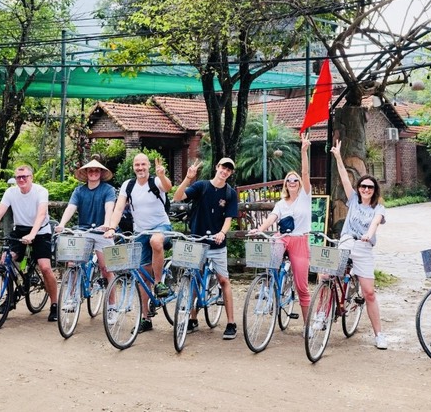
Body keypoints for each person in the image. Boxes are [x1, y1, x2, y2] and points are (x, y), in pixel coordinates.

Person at [103, 153, 173, 333]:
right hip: (140, 231)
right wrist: (111, 227)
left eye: (143, 164)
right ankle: (145, 318)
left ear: (148, 166)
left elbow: (168, 187)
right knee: (142, 276)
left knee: (156, 241)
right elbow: (119, 208)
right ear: (133, 167)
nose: (140, 168)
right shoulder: (129, 185)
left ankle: (159, 284)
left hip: (161, 226)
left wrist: (162, 175)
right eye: (137, 165)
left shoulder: (156, 181)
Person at [0, 165, 60, 322]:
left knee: (45, 267)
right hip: (20, 230)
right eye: (18, 177)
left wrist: (32, 234)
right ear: (15, 179)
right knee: (6, 260)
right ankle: (10, 297)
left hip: (40, 231)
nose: (22, 179)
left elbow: (41, 214)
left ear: (31, 177)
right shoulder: (11, 192)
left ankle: (54, 304)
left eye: (25, 176)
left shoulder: (40, 191)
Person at [173, 157, 239, 340]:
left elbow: (229, 218)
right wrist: (188, 178)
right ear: (216, 167)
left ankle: (231, 323)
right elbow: (177, 197)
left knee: (224, 280)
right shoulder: (201, 186)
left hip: (217, 243)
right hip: (197, 240)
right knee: (194, 278)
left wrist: (222, 233)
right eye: (222, 167)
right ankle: (192, 319)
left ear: (230, 173)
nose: (224, 171)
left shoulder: (229, 193)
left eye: (228, 170)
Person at [331, 138, 388, 349]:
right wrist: (338, 156)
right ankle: (321, 314)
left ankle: (379, 334)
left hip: (364, 247)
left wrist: (367, 234)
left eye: (370, 187)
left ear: (374, 191)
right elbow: (345, 178)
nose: (365, 189)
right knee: (326, 275)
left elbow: (375, 224)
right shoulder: (353, 199)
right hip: (346, 242)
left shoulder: (378, 209)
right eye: (363, 186)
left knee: (369, 292)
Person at [252, 131, 314, 326]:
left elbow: (305, 173)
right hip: (283, 237)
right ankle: (269, 288)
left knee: (302, 286)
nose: (293, 182)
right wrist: (259, 228)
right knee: (271, 259)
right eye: (289, 180)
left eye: (295, 180)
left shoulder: (305, 196)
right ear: (286, 184)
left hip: (299, 240)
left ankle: (307, 324)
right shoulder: (281, 202)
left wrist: (304, 151)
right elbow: (272, 217)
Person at [58, 158, 117, 293]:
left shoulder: (108, 190)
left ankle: (112, 306)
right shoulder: (79, 191)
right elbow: (70, 208)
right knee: (72, 263)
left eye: (97, 170)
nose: (93, 173)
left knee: (106, 268)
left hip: (102, 231)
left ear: (101, 173)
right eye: (91, 170)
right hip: (83, 230)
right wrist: (62, 224)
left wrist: (107, 224)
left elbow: (110, 208)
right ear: (86, 173)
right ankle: (71, 297)